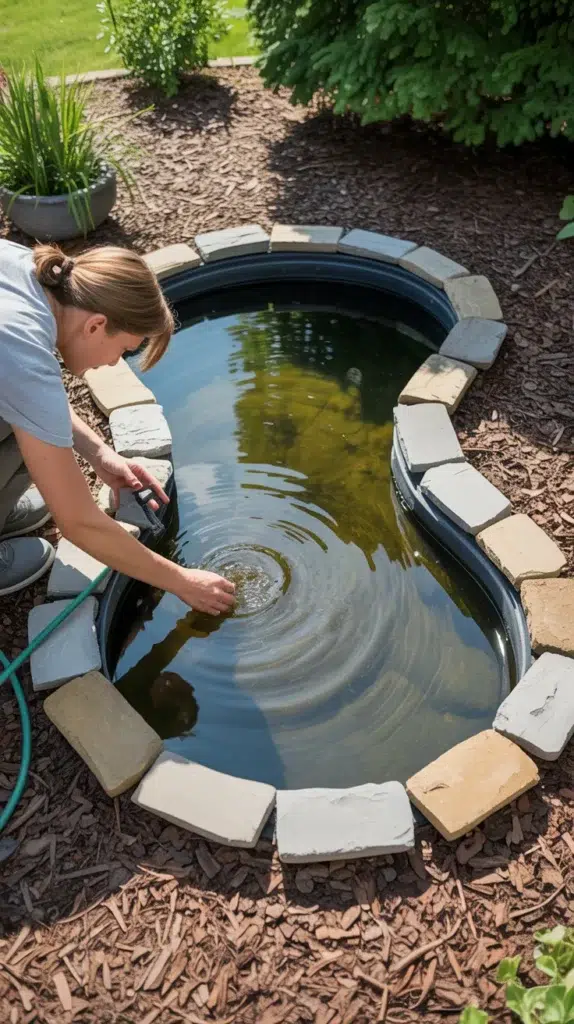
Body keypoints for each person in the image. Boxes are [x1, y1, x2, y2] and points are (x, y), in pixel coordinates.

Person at [0, 239, 235, 615]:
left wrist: (101, 454)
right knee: (37, 439)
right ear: (96, 325)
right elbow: (78, 522)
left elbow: (29, 400)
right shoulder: (19, 346)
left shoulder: (28, 269)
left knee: (34, 430)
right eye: (123, 350)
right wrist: (183, 581)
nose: (113, 364)